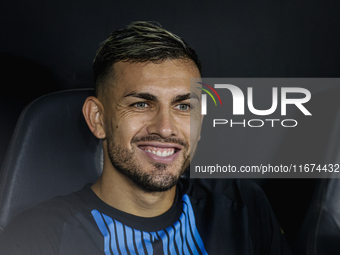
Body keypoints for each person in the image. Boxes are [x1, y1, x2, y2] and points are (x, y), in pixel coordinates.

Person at [0, 21, 292, 254]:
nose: (165, 128)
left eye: (183, 106)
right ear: (98, 119)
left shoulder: (241, 207)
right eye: (141, 104)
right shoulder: (38, 236)